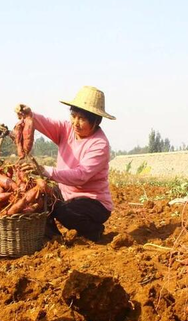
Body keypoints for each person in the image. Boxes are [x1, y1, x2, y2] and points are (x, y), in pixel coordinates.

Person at [15, 86, 115, 241]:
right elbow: (45, 123)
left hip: (94, 202)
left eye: (82, 119)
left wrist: (45, 170)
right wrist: (29, 114)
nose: (75, 123)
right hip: (66, 194)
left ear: (96, 121)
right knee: (38, 196)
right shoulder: (67, 129)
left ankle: (94, 230)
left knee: (63, 211)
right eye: (73, 116)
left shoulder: (99, 144)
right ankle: (54, 237)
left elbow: (81, 176)